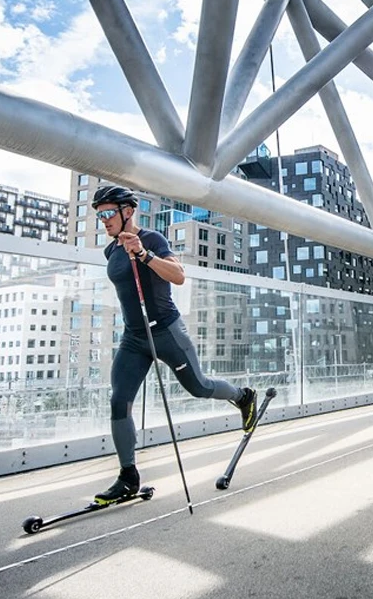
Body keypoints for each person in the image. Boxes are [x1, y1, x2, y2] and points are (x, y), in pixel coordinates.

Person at [90, 185, 258, 502]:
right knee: (119, 400)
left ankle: (242, 396)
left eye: (109, 213)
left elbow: (178, 276)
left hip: (166, 330)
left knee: (199, 386)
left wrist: (143, 254)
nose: (104, 220)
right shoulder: (111, 250)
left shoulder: (153, 239)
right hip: (133, 337)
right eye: (100, 216)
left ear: (128, 211)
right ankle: (127, 477)